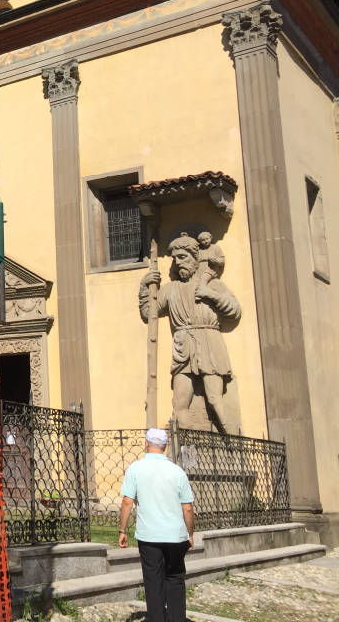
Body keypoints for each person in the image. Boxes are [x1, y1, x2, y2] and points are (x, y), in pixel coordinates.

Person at [139, 233, 241, 434]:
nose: (178, 263)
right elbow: (148, 313)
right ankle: (189, 451)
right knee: (179, 404)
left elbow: (234, 310)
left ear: (196, 259)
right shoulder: (170, 290)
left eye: (183, 257)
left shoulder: (212, 284)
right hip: (183, 347)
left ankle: (234, 446)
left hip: (209, 343)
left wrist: (209, 294)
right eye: (175, 259)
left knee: (214, 399)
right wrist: (144, 287)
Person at [119, 428, 195, 622]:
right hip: (175, 536)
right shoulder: (177, 471)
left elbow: (127, 501)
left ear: (146, 444)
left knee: (153, 580)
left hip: (149, 536)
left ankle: (156, 618)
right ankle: (177, 618)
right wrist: (190, 533)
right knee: (175, 578)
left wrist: (122, 530)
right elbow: (187, 508)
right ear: (166, 447)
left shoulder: (135, 468)